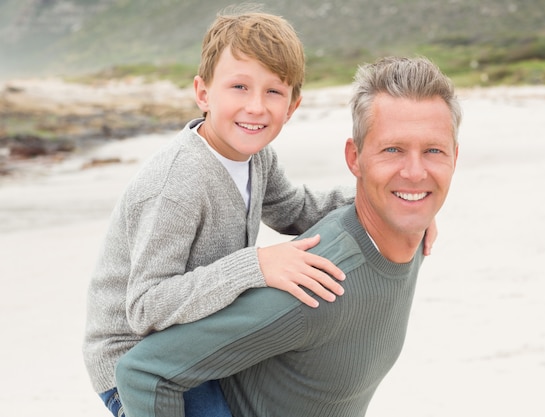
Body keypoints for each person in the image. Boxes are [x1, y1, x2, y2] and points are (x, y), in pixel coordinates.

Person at [114, 55, 461, 417]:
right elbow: (143, 374)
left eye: (433, 151)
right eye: (393, 149)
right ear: (354, 158)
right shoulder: (316, 286)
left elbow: (293, 207)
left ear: (455, 157)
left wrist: (405, 210)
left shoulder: (413, 238)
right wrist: (256, 263)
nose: (416, 171)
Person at [83, 10, 357, 417]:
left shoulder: (257, 157)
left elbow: (295, 210)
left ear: (293, 106)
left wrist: (381, 202)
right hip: (138, 360)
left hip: (198, 337)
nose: (256, 107)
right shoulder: (177, 184)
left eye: (273, 92)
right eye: (239, 87)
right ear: (203, 92)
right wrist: (255, 266)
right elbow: (145, 308)